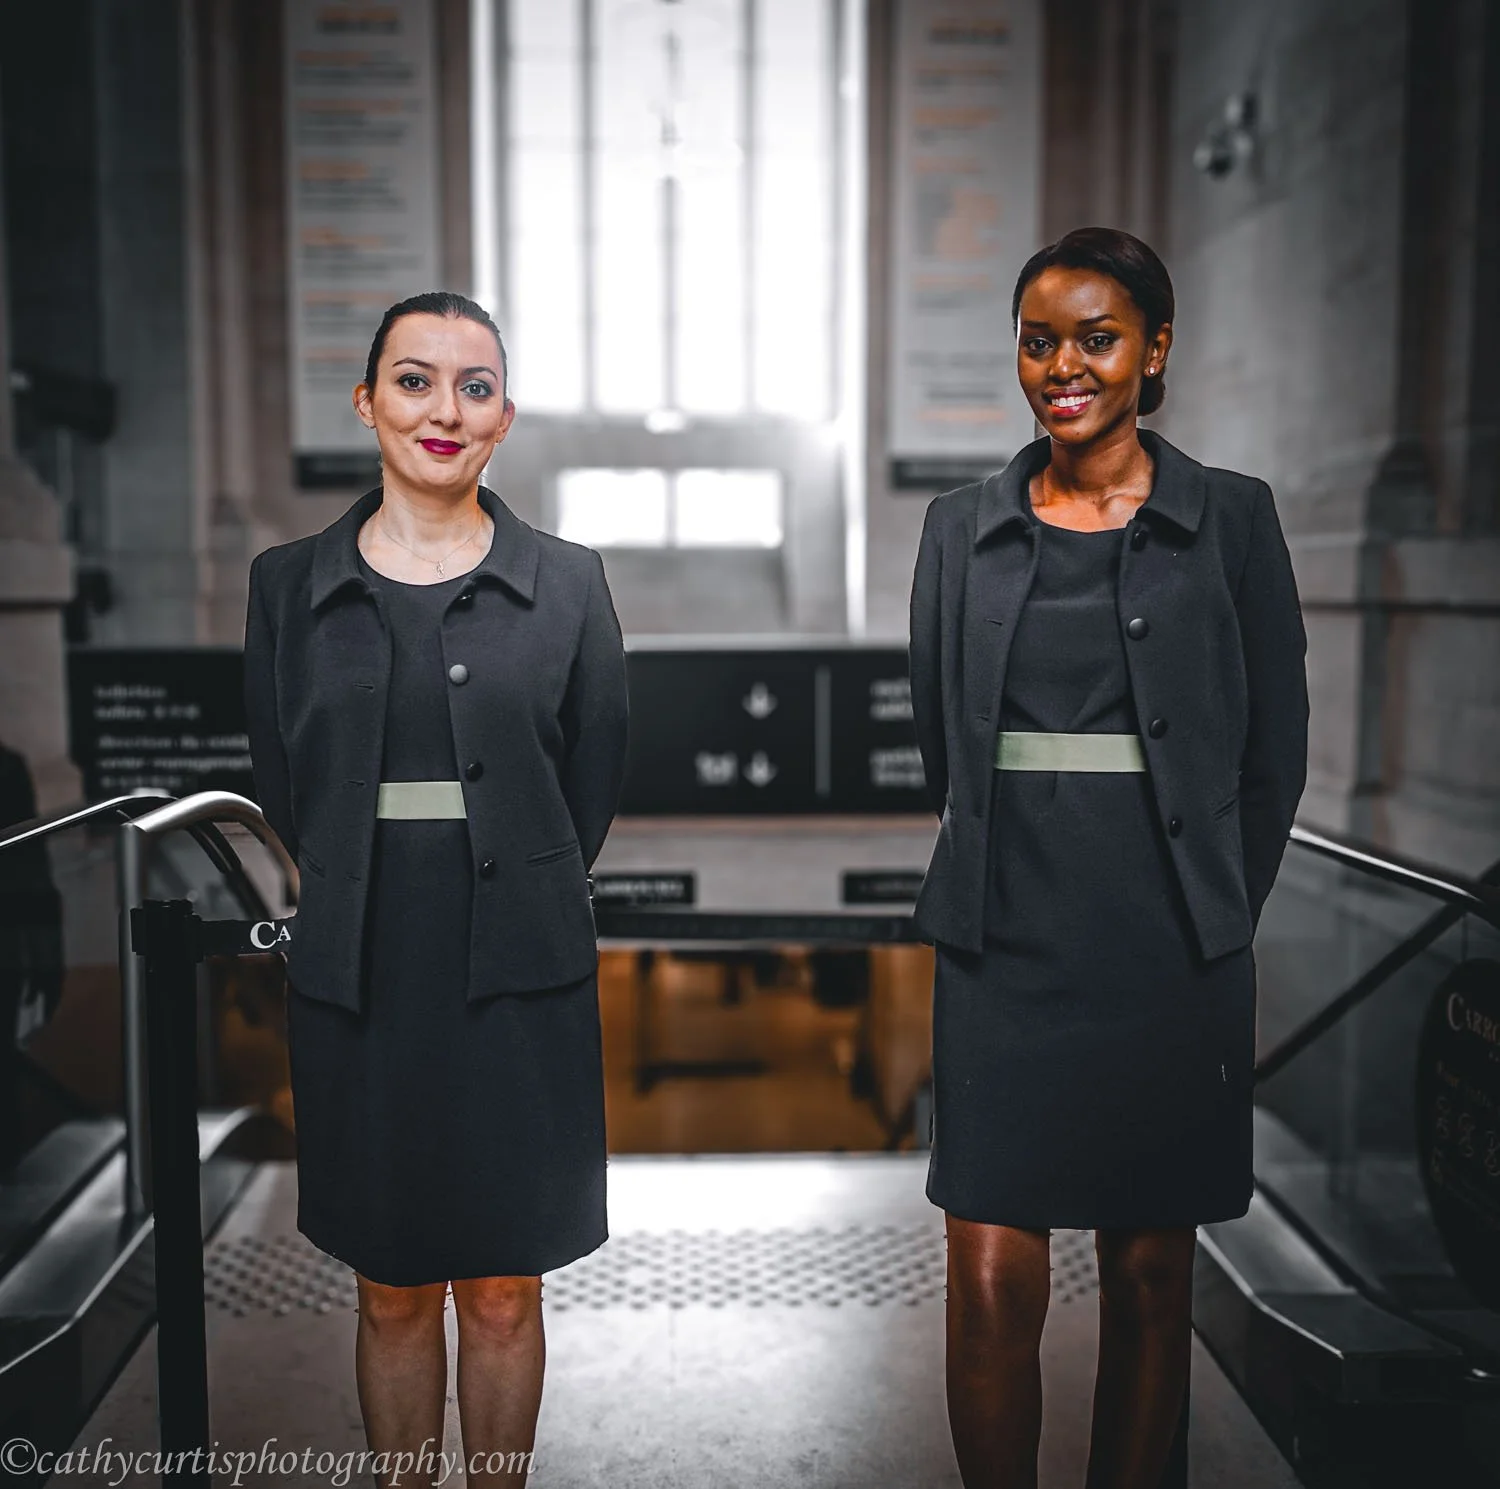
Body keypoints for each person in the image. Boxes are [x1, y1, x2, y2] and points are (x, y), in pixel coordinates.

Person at [907, 227, 1308, 1489]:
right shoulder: (958, 528)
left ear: (1155, 349)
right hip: (1004, 942)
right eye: (1038, 341)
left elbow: (1274, 748)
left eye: (1095, 338)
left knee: (1148, 1275)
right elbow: (940, 737)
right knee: (984, 1275)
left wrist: (1217, 911)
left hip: (1168, 953)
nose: (1062, 366)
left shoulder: (1232, 519)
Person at [242, 291, 629, 1487]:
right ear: (368, 403)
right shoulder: (285, 588)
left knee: (505, 1292)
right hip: (363, 973)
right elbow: (283, 781)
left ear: (503, 418)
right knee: (394, 1290)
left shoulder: (567, 584)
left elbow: (593, 780)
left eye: (472, 387)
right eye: (413, 381)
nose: (442, 410)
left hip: (521, 975)